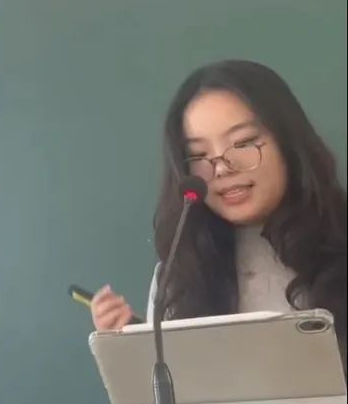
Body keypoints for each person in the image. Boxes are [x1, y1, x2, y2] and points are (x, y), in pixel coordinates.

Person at [90, 60, 347, 368]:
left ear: (288, 143)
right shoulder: (180, 272)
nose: (222, 168)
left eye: (243, 142)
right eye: (198, 155)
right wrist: (136, 353)